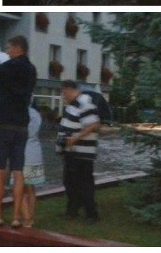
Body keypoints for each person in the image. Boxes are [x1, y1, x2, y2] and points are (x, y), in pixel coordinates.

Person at [0, 35, 37, 228]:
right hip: (21, 126)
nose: (6, 50)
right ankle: (15, 217)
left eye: (8, 47)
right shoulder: (31, 69)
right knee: (18, 171)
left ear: (18, 48)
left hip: (2, 124)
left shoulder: (11, 66)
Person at [56, 80, 101, 223]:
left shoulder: (85, 103)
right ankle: (72, 210)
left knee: (84, 183)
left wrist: (75, 138)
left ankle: (91, 214)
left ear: (69, 90)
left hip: (81, 152)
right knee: (70, 182)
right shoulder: (72, 105)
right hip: (71, 152)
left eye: (64, 93)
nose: (63, 96)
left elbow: (94, 124)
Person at [20, 102, 45, 228]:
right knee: (31, 188)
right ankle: (31, 217)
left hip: (22, 152)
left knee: (20, 188)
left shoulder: (20, 113)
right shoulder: (36, 114)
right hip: (35, 152)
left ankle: (26, 219)